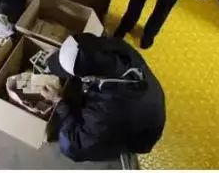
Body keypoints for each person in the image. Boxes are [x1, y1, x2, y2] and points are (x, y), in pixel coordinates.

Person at [42, 33, 166, 162]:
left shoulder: (106, 112)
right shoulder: (121, 50)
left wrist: (59, 102)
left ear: (90, 77)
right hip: (149, 106)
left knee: (66, 145)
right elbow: (81, 53)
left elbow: (76, 146)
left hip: (140, 135)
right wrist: (60, 54)